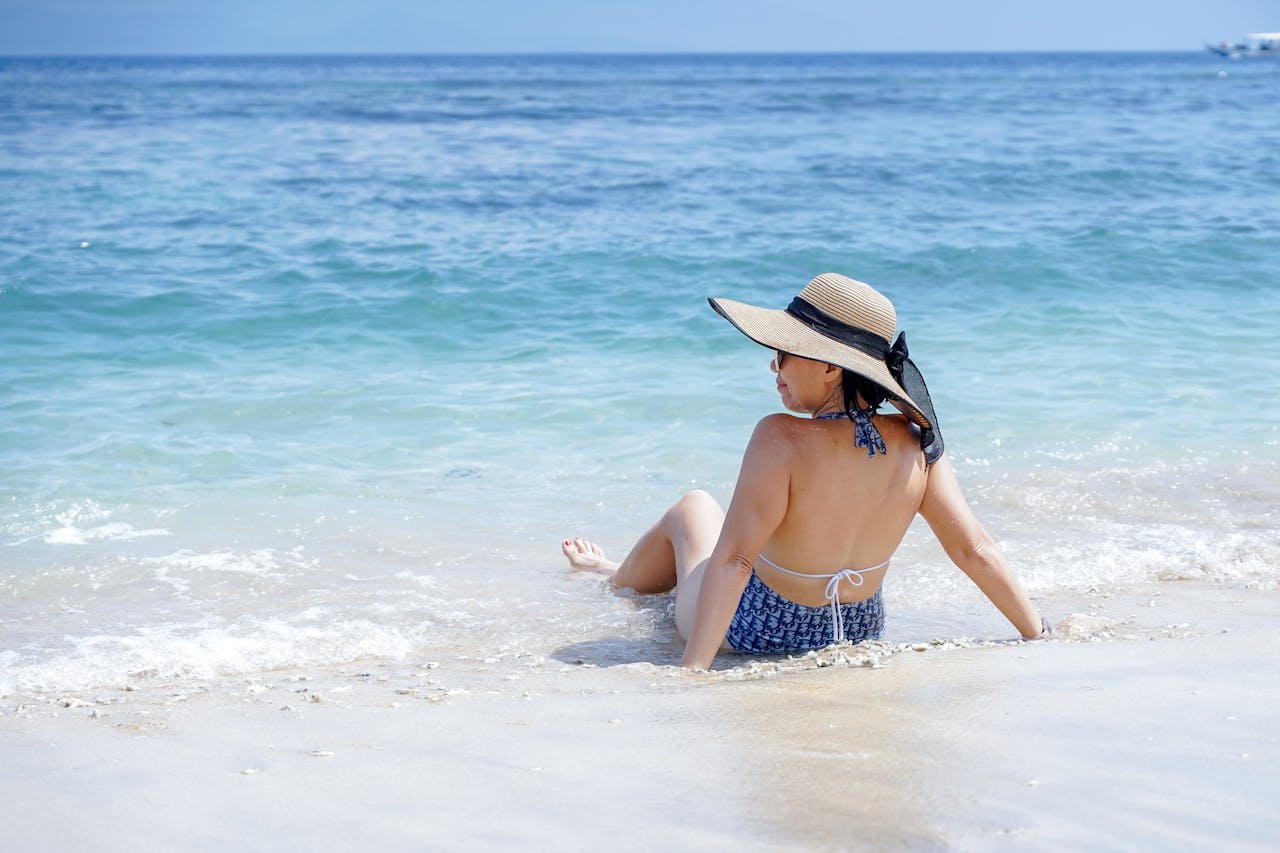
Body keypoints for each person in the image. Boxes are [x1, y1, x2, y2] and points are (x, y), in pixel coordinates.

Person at [562, 272, 1049, 670]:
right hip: (857, 628)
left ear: (831, 366)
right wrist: (1038, 633)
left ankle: (612, 582)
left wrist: (692, 674)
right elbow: (974, 548)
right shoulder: (915, 439)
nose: (774, 368)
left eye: (783, 354)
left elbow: (735, 563)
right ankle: (612, 573)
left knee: (693, 508)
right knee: (707, 537)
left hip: (757, 629)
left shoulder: (781, 437)